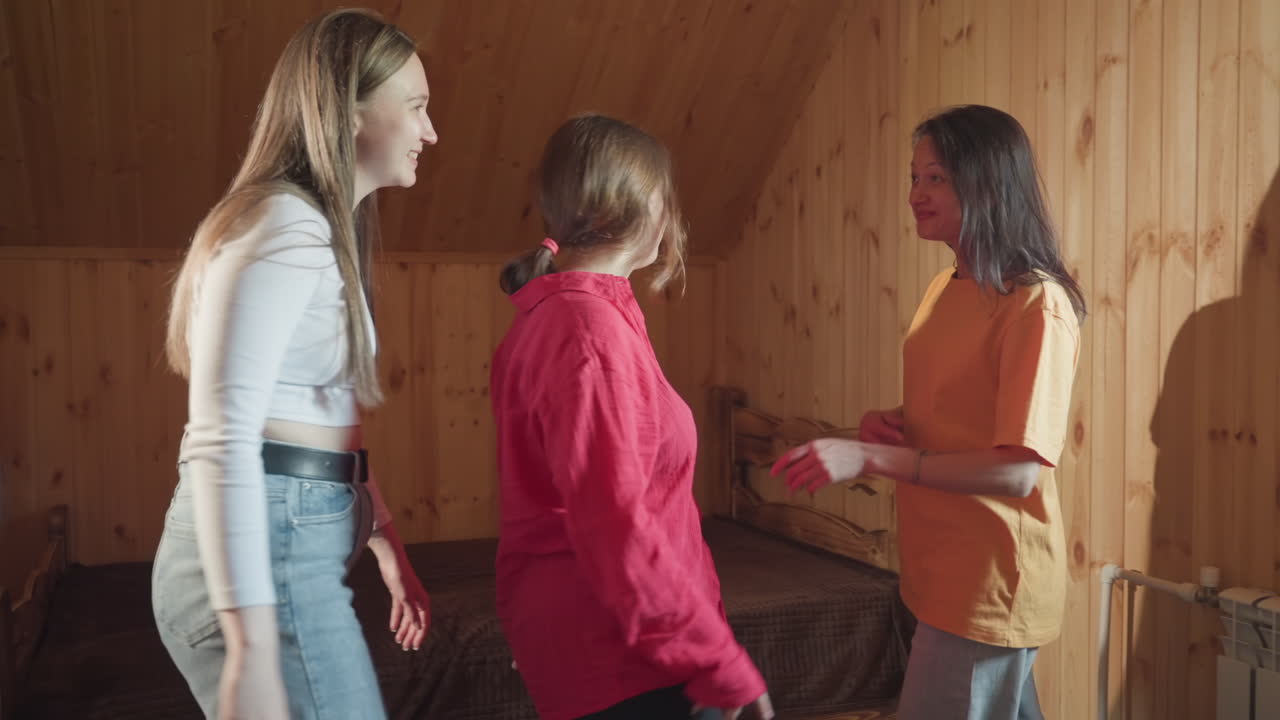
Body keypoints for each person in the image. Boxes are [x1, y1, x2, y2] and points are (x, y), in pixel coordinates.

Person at [152, 8, 438, 718]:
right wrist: (251, 644)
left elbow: (318, 421)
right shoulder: (283, 225)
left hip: (297, 540)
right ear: (347, 110)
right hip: (268, 554)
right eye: (418, 108)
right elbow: (226, 436)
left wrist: (384, 542)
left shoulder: (316, 230)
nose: (430, 133)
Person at [773, 104, 1086, 720]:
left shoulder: (1036, 305)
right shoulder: (947, 287)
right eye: (914, 177)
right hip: (937, 569)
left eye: (936, 177)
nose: (916, 194)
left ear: (988, 182)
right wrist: (891, 421)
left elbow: (1017, 470)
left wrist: (869, 456)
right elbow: (958, 408)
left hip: (988, 581)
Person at [490, 114, 774, 720]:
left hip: (624, 639)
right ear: (643, 205)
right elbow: (615, 523)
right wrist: (717, 661)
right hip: (617, 651)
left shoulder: (586, 315)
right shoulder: (586, 331)